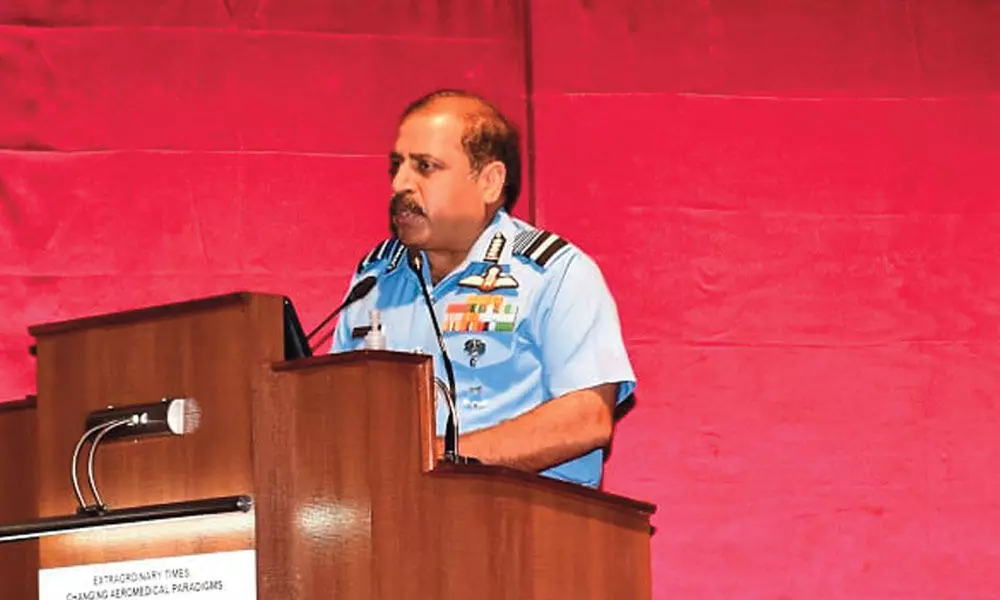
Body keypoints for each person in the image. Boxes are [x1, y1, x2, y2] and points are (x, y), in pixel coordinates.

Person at [330, 89, 635, 488]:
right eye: (396, 166)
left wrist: (435, 459)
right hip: (391, 525)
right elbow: (333, 409)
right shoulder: (374, 280)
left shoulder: (554, 275)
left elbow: (585, 418)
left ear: (490, 182)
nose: (400, 184)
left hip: (524, 528)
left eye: (425, 166)